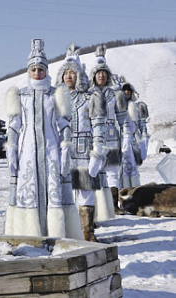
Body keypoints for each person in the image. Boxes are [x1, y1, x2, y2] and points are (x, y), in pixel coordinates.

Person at [5, 39, 82, 238]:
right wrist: (11, 148)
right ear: (28, 71)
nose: (37, 73)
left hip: (51, 150)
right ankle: (29, 234)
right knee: (29, 190)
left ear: (46, 71)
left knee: (53, 189)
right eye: (34, 69)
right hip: (28, 152)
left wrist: (65, 147)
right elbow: (14, 125)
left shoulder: (56, 93)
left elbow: (64, 123)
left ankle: (56, 233)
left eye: (41, 69)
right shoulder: (20, 95)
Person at [55, 44, 107, 241]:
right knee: (65, 193)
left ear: (79, 76)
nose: (69, 76)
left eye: (72, 73)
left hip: (85, 151)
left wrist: (97, 151)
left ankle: (87, 232)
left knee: (86, 193)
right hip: (63, 151)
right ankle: (69, 231)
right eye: (65, 73)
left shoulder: (90, 97)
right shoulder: (56, 98)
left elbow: (99, 124)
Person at [88, 45, 126, 219]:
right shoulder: (89, 94)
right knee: (94, 171)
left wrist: (125, 138)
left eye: (104, 72)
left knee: (112, 172)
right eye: (98, 73)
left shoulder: (115, 94)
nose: (101, 75)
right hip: (94, 138)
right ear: (93, 76)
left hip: (111, 136)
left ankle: (112, 205)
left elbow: (123, 118)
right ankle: (95, 207)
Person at [119, 77, 150, 190]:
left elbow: (142, 126)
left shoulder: (137, 107)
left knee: (132, 167)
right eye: (124, 90)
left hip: (133, 141)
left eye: (128, 90)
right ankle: (122, 191)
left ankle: (134, 190)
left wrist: (143, 141)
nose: (126, 92)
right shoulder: (116, 107)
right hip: (120, 141)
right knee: (120, 169)